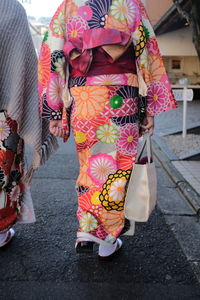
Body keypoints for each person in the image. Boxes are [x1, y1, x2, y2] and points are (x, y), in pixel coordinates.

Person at [38, 0, 177, 259]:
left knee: (90, 164)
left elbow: (53, 54)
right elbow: (147, 52)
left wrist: (56, 111)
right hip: (122, 95)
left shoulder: (69, 5)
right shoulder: (131, 3)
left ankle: (88, 227)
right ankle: (108, 237)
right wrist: (148, 108)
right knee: (118, 166)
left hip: (85, 98)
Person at [0, 0, 58, 247]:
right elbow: (23, 65)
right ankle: (0, 232)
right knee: (4, 169)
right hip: (5, 111)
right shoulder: (11, 8)